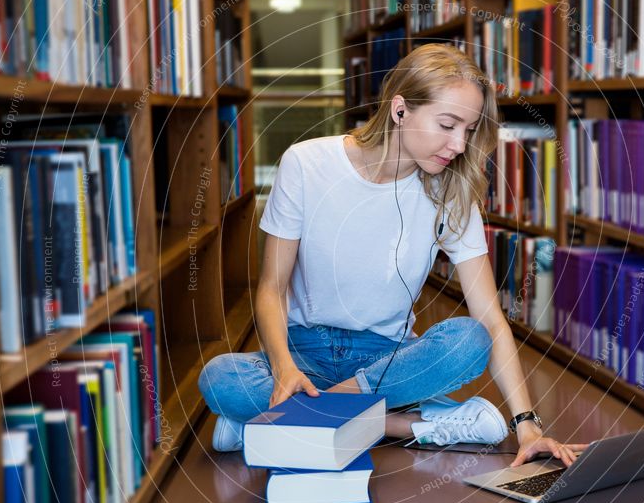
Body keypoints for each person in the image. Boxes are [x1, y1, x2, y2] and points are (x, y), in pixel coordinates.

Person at [198, 43, 586, 468]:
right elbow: (271, 289)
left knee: (469, 342)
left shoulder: (451, 192)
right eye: (447, 124)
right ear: (400, 109)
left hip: (387, 360)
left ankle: (281, 419)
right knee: (220, 380)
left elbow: (490, 319)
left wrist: (527, 424)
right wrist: (285, 369)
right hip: (304, 352)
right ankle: (404, 424)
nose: (459, 144)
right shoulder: (306, 164)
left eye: (469, 130)